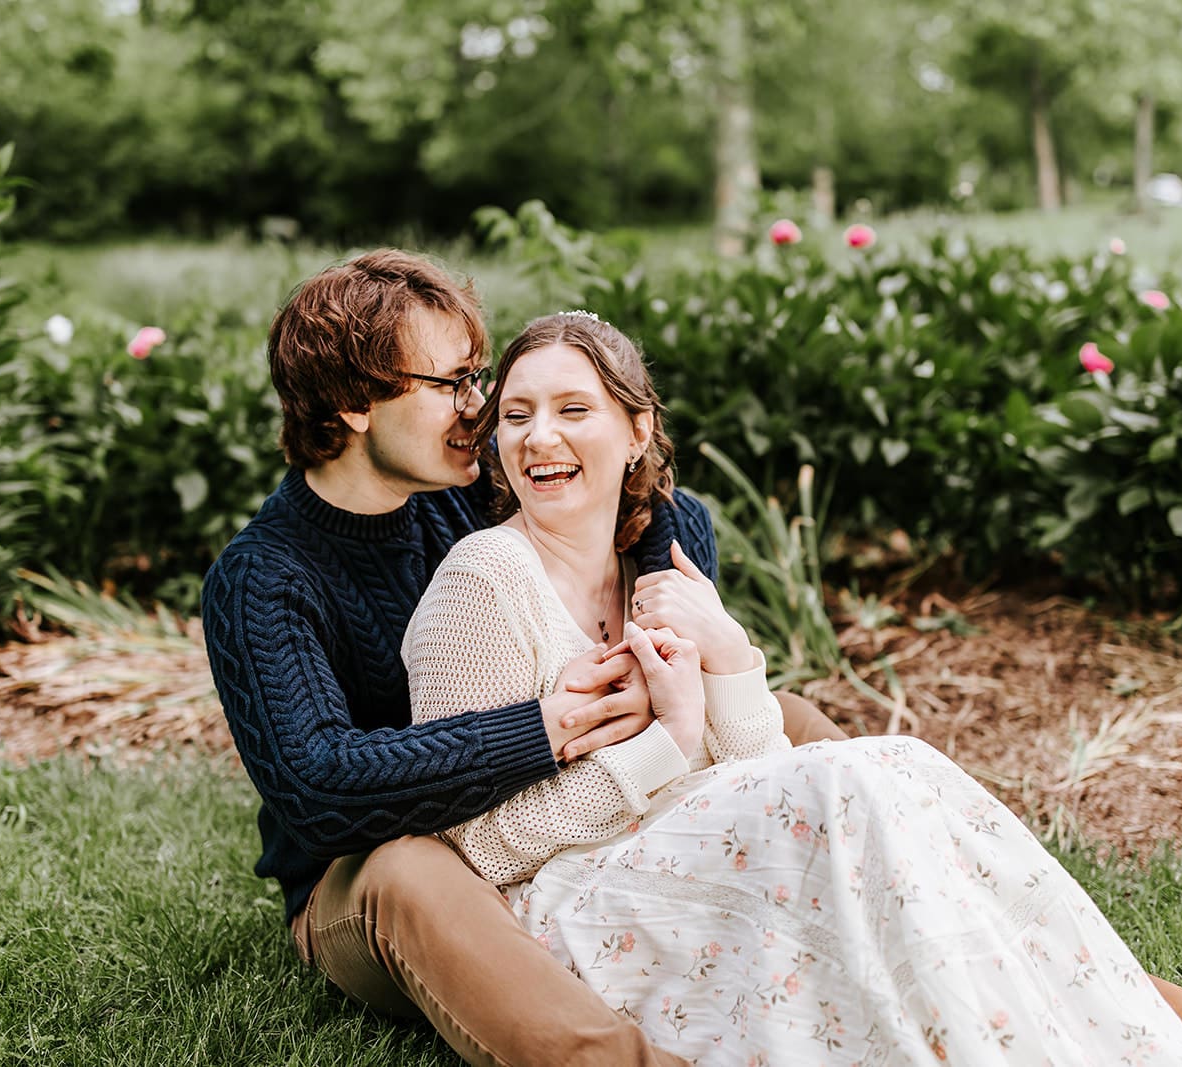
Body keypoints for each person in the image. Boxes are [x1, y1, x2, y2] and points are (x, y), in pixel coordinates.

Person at [402, 310, 1182, 1062]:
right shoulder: (486, 579)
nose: (539, 436)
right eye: (517, 414)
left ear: (636, 429)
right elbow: (475, 844)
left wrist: (729, 656)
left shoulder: (656, 573)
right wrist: (661, 749)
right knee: (852, 778)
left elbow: (756, 768)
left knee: (895, 770)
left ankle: (1085, 1015)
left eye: (573, 409)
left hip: (696, 854)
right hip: (578, 905)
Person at [200, 249, 846, 1067]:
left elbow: (667, 511)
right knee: (411, 871)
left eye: (479, 380)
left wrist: (656, 646)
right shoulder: (262, 577)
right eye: (454, 384)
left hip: (530, 802)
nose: (482, 408)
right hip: (365, 876)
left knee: (784, 717)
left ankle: (910, 886)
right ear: (354, 401)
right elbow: (319, 788)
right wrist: (545, 725)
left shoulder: (462, 490)